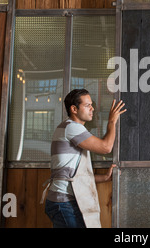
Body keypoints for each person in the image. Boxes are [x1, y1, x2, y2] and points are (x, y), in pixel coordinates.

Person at [43, 89, 126, 228]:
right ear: (74, 109)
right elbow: (106, 147)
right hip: (64, 202)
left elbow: (77, 177)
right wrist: (111, 121)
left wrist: (105, 177)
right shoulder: (72, 128)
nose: (92, 108)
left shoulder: (70, 128)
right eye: (88, 105)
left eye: (91, 104)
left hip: (64, 201)